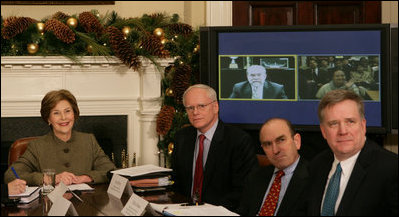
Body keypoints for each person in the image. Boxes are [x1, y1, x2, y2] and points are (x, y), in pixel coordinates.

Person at [305, 89, 398, 216]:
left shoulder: (391, 169)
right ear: (323, 131)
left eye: (350, 121)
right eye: (333, 124)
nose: (343, 131)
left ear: (363, 125)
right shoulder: (316, 165)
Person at [4, 89, 116, 186]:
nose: (63, 117)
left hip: (86, 205)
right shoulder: (37, 146)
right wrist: (50, 178)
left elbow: (110, 171)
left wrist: (86, 177)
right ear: (48, 119)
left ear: (74, 114)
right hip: (49, 206)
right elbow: (11, 174)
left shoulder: (88, 140)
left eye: (67, 111)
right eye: (56, 113)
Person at [172, 84, 257, 211]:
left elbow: (243, 191)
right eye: (190, 108)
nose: (195, 112)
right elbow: (177, 182)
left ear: (215, 107)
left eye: (201, 106)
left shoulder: (238, 140)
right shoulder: (182, 137)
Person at [238, 118, 309, 216]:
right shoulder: (255, 178)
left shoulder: (314, 178)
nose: (275, 150)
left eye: (281, 140)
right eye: (268, 144)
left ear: (296, 141)